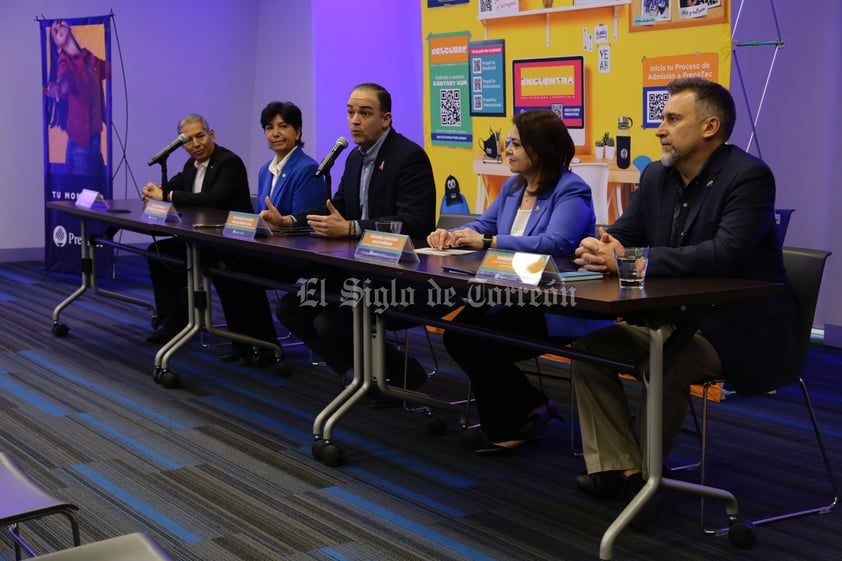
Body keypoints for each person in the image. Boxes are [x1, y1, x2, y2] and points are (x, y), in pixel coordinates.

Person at [570, 77, 799, 527]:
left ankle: (642, 481)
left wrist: (630, 259)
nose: (660, 129)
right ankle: (628, 471)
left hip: (736, 326)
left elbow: (724, 254)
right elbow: (628, 234)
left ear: (710, 127)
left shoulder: (748, 177)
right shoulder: (657, 174)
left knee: (667, 365)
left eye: (672, 119)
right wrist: (603, 245)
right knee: (590, 352)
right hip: (669, 315)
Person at [427, 110, 611, 454]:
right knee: (459, 335)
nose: (506, 150)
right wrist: (450, 235)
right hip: (513, 294)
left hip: (559, 301)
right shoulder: (513, 187)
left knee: (479, 341)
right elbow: (483, 226)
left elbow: (557, 244)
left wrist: (487, 243)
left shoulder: (572, 189)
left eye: (513, 144)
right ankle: (531, 404)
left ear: (538, 151)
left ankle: (512, 424)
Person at [272, 82, 436, 396]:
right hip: (356, 271)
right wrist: (290, 220)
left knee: (330, 323)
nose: (354, 121)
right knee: (292, 308)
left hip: (397, 276)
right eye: (350, 113)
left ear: (386, 119)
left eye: (364, 113)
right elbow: (339, 209)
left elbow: (415, 224)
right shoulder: (354, 158)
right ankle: (364, 374)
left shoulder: (409, 156)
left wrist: (352, 229)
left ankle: (399, 374)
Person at [208, 101, 327, 365]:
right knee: (222, 264)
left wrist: (281, 223)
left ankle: (265, 345)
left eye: (283, 126)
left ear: (298, 132)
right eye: (269, 127)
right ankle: (244, 342)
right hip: (269, 249)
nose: (275, 133)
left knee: (238, 269)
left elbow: (308, 223)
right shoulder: (265, 170)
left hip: (298, 254)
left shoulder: (308, 169)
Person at [141, 114, 256, 351]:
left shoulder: (229, 163)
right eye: (188, 140)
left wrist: (168, 196)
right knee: (158, 252)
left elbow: (213, 200)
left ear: (211, 134)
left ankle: (187, 322)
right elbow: (174, 187)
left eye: (200, 136)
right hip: (201, 240)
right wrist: (156, 190)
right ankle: (173, 321)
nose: (196, 144)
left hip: (231, 243)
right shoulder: (190, 166)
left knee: (179, 257)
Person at [44, 19, 108, 178]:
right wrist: (58, 88)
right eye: (54, 31)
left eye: (59, 23)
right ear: (57, 46)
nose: (58, 27)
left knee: (99, 197)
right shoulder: (64, 61)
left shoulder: (86, 56)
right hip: (81, 147)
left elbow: (107, 69)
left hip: (94, 142)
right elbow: (64, 80)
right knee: (82, 200)